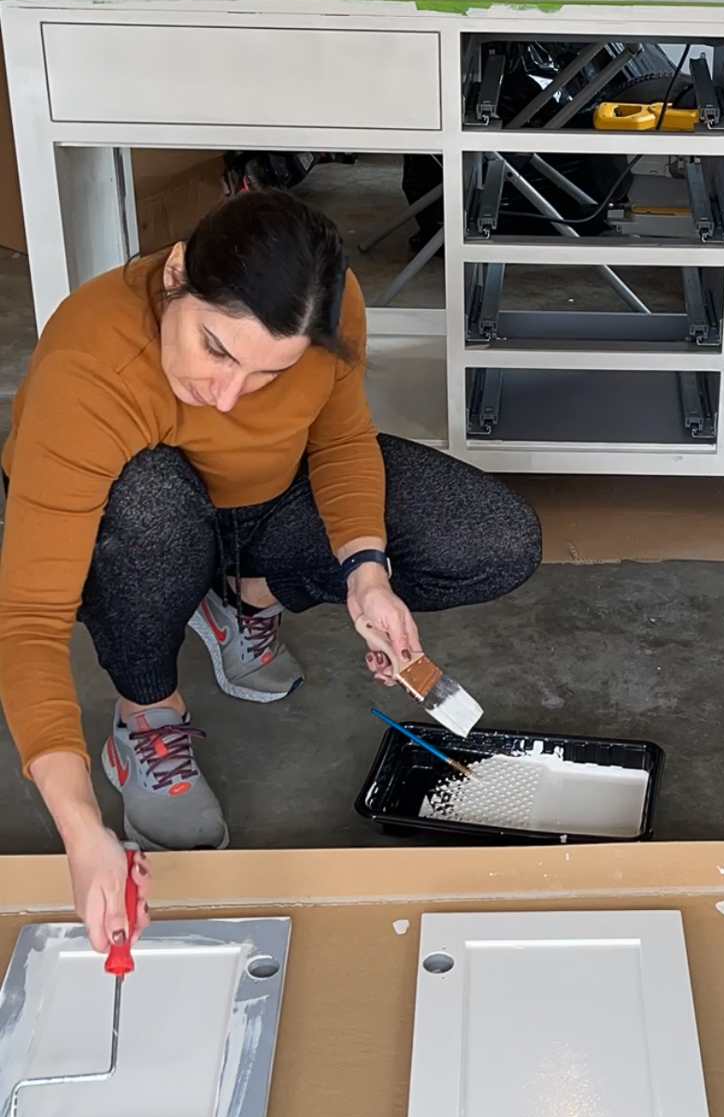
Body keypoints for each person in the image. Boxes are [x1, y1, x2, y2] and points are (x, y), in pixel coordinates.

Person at [0, 190, 541, 955]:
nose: (227, 397)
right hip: (135, 519)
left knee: (493, 539)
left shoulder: (326, 303)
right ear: (178, 274)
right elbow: (25, 624)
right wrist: (81, 829)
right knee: (150, 504)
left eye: (268, 373)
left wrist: (365, 570)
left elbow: (344, 442)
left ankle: (242, 597)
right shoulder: (89, 372)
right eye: (216, 349)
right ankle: (145, 712)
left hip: (265, 504)